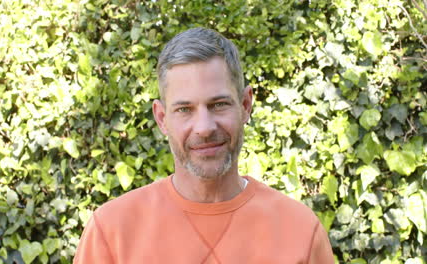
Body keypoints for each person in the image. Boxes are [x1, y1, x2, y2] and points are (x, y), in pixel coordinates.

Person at [73, 27, 334, 263]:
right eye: (185, 109)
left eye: (218, 105)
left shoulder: (299, 231)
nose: (205, 127)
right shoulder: (112, 232)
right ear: (162, 118)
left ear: (245, 105)